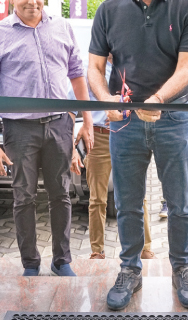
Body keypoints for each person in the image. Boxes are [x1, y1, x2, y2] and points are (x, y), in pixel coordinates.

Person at [88, 0, 188, 310]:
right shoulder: (109, 11)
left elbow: (187, 68)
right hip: (125, 123)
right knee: (127, 203)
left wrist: (158, 99)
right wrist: (105, 99)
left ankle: (182, 268)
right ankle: (129, 269)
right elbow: (94, 68)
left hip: (173, 119)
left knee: (180, 201)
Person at [0, 0, 94, 277]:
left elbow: (77, 76)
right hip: (19, 130)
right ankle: (30, 263)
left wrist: (87, 121)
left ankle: (62, 260)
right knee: (23, 197)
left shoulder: (62, 28)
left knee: (61, 194)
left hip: (59, 125)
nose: (33, 1)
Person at [70, 55, 155, 260]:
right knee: (97, 198)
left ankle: (145, 248)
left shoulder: (134, 64)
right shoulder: (90, 69)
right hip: (99, 137)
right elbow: (71, 106)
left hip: (129, 135)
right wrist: (71, 147)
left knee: (138, 194)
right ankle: (97, 250)